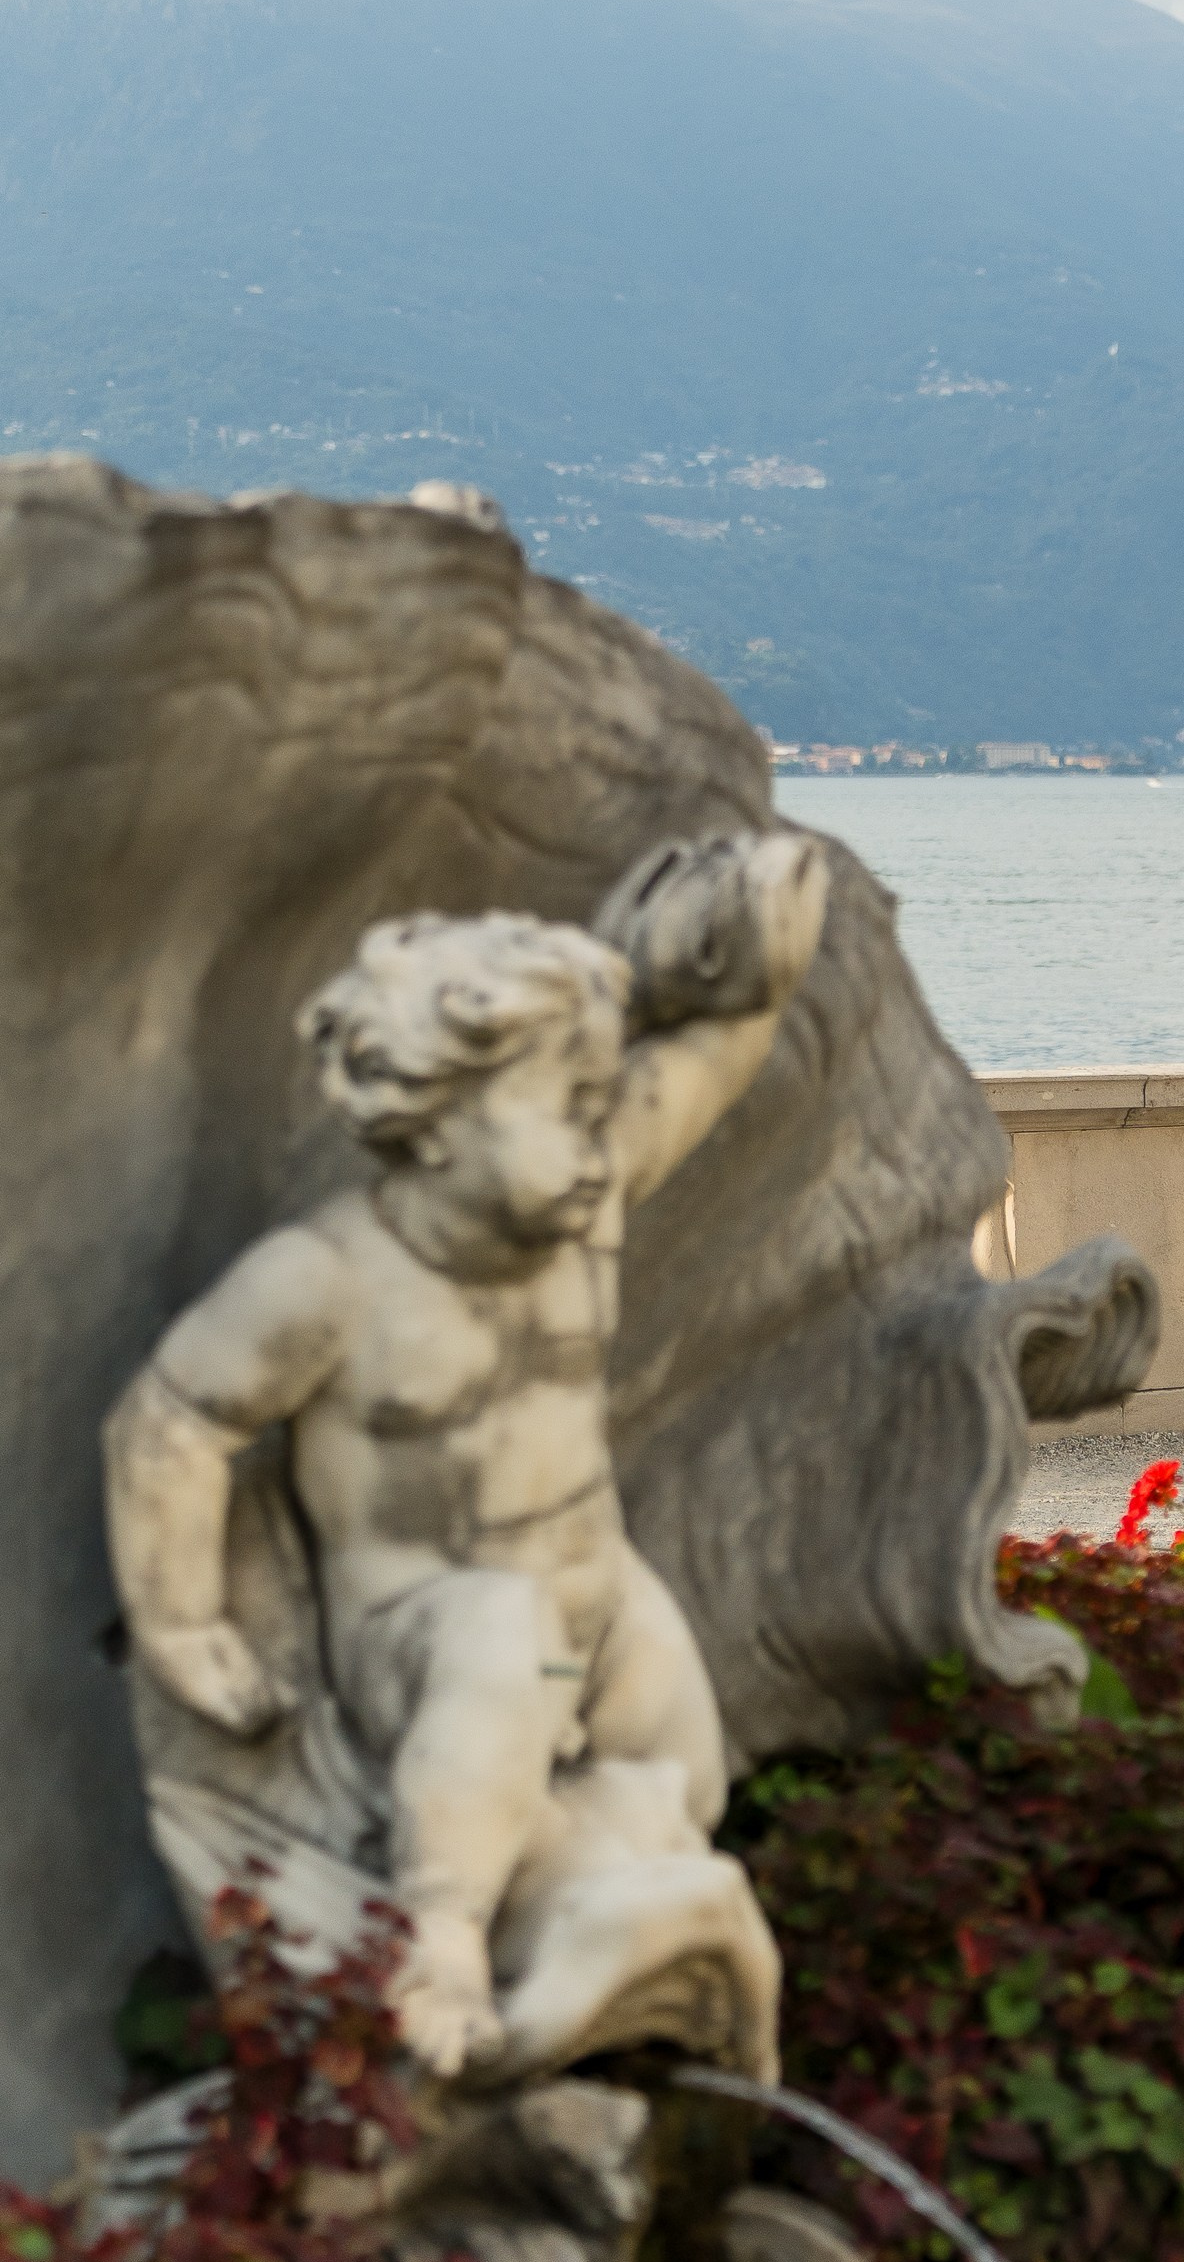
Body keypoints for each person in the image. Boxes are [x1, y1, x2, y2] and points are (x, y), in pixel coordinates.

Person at [103, 832, 827, 2076]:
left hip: (595, 1589)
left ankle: (598, 1938)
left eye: (603, 1103)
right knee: (496, 1638)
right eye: (565, 1107)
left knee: (682, 1773)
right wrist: (181, 1625)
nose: (602, 1138)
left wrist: (753, 959)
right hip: (418, 1634)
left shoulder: (579, 1208)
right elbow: (172, 1422)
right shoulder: (327, 1279)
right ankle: (440, 1934)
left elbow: (706, 1061)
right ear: (431, 1122)